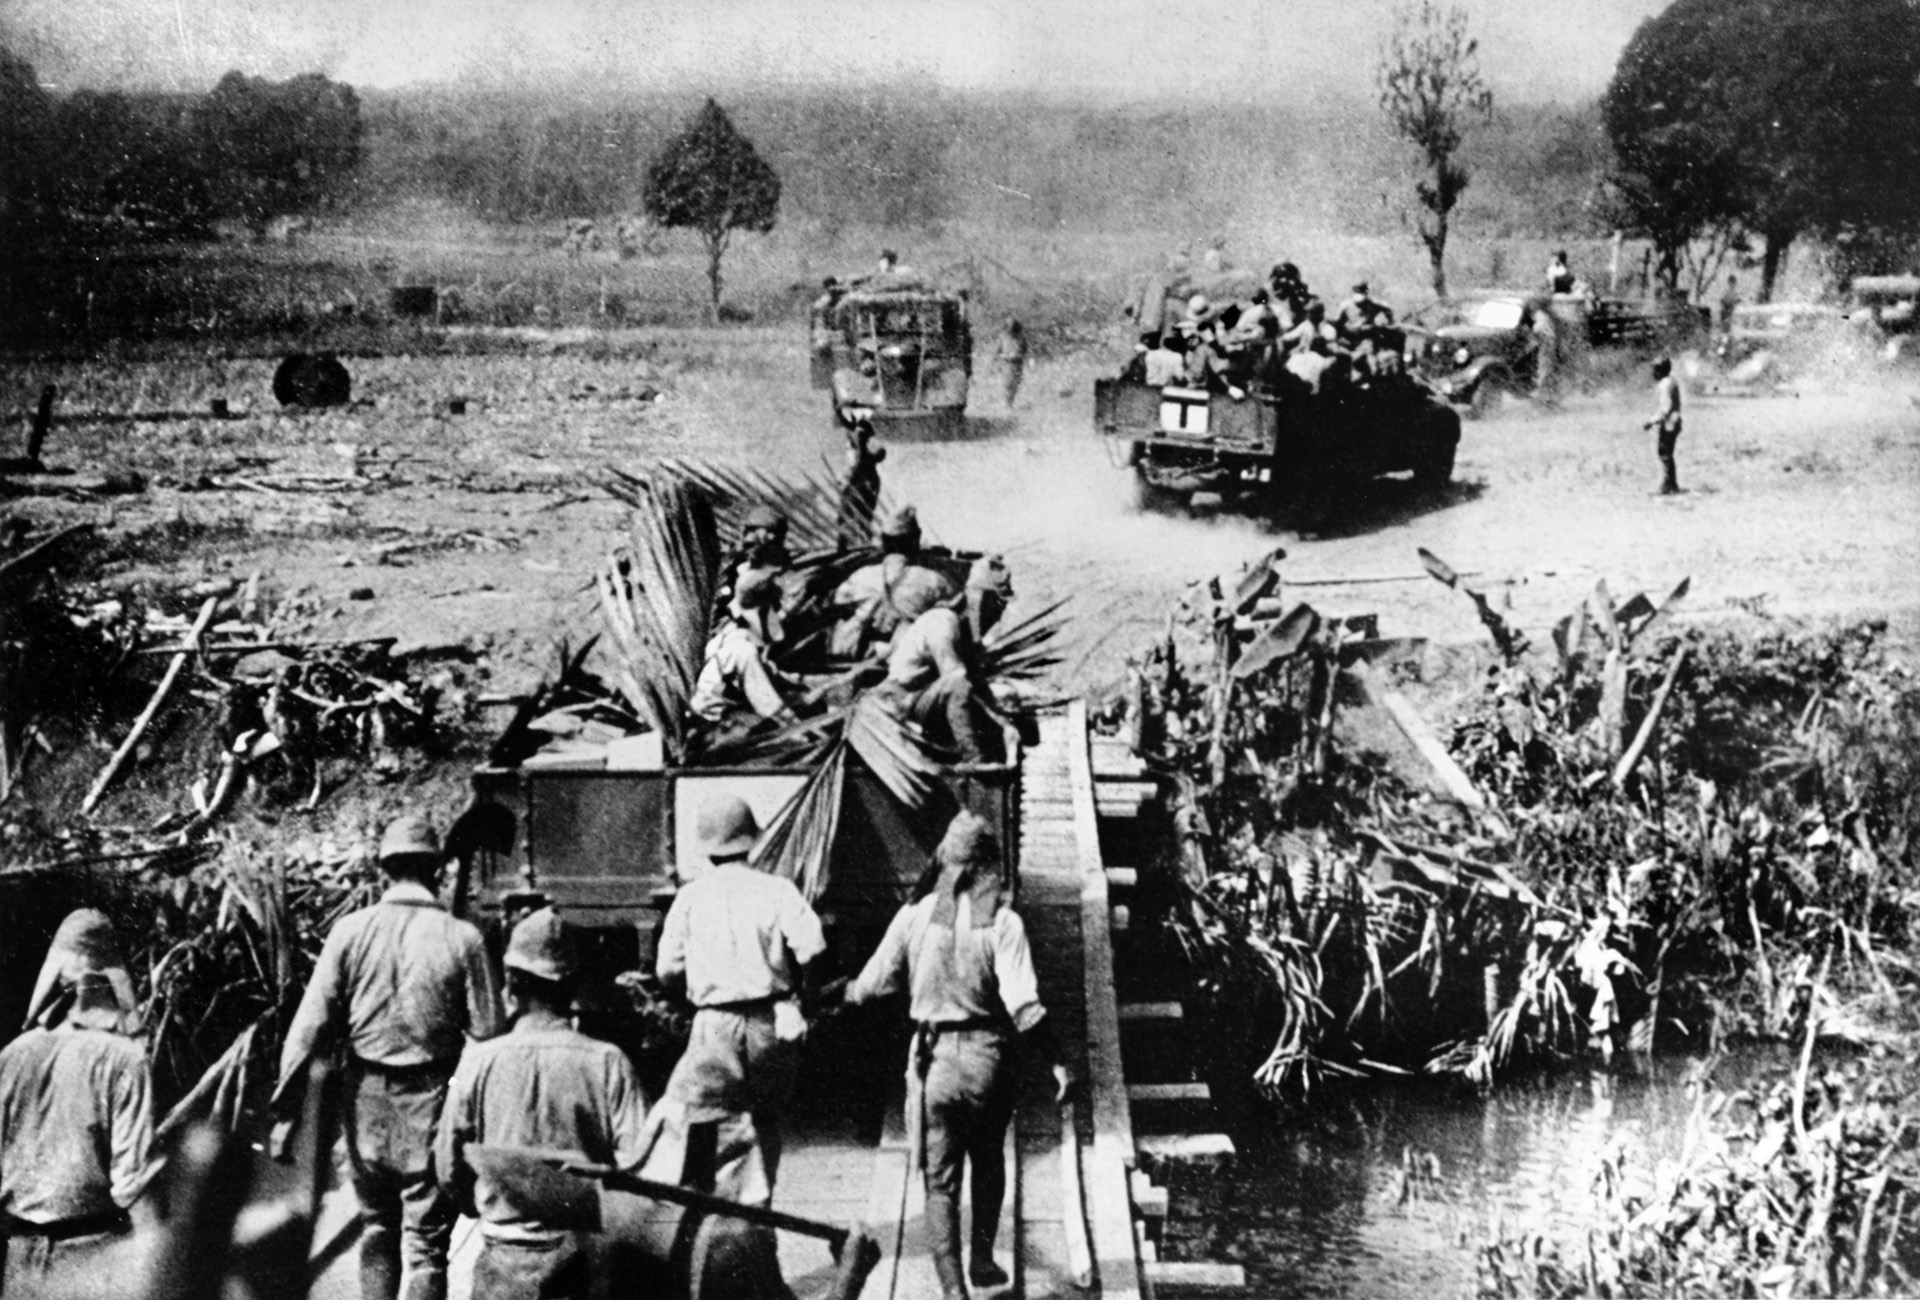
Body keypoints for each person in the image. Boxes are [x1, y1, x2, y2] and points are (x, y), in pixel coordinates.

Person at [842, 813, 1072, 1300]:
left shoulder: (915, 915)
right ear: (989, 866)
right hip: (990, 1058)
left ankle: (953, 1291)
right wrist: (1055, 1059)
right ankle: (983, 1259)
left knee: (940, 1182)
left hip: (933, 1061)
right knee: (989, 1161)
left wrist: (845, 993)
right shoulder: (1002, 922)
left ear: (945, 861)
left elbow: (868, 987)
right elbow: (1024, 1004)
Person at [278, 815, 504, 1300]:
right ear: (436, 870)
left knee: (377, 1227)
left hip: (364, 1102)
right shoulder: (463, 938)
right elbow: (489, 1035)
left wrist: (285, 1113)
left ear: (384, 869)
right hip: (430, 1102)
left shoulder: (348, 932)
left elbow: (310, 1026)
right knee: (426, 1245)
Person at [435, 909, 651, 1300]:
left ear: (512, 984)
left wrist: (484, 1205)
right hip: (582, 1263)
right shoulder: (608, 1062)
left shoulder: (478, 1062)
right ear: (572, 987)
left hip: (503, 1262)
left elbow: (449, 1167)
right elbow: (640, 1171)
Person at [652, 796, 827, 1207]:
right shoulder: (777, 890)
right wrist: (803, 999)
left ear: (706, 848)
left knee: (704, 1124)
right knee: (765, 1126)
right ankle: (759, 1227)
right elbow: (814, 950)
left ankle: (701, 1224)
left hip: (713, 1025)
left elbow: (666, 971)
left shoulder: (690, 897)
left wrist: (693, 998)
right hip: (770, 1021)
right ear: (751, 841)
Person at [0, 910, 155, 1294]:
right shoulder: (125, 1060)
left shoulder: (12, 1056)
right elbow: (131, 1182)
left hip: (19, 1258)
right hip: (91, 1257)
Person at [875, 555, 1014, 765]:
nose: (998, 615)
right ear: (980, 602)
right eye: (996, 605)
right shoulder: (943, 623)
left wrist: (1004, 724)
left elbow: (979, 687)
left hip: (918, 701)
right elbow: (957, 683)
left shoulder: (961, 633)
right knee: (959, 684)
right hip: (897, 702)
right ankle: (973, 760)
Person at [830, 506, 957, 659]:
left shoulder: (860, 576)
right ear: (916, 539)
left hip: (858, 652)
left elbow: (836, 606)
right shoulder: (934, 581)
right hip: (901, 659)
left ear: (883, 542)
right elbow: (953, 613)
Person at [690, 569, 803, 733]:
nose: (781, 616)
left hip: (713, 715)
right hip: (716, 726)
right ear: (764, 610)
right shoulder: (744, 649)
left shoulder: (731, 632)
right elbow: (770, 706)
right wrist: (805, 732)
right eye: (776, 608)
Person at [837, 420, 886, 550]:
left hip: (861, 484)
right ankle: (861, 544)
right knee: (862, 517)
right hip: (867, 483)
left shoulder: (863, 452)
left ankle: (849, 545)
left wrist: (847, 483)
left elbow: (859, 465)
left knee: (850, 516)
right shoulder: (864, 451)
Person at [1643, 356, 1683, 495]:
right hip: (1674, 421)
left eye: (1655, 369)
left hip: (1669, 423)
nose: (1653, 373)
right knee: (1667, 453)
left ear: (1660, 370)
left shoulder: (1665, 384)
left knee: (1664, 453)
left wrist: (1652, 421)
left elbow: (1666, 408)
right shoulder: (1671, 381)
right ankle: (1672, 484)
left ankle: (1668, 485)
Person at [1333, 281, 1394, 346]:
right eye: (1356, 292)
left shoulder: (1374, 303)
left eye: (1360, 292)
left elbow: (1388, 309)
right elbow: (1337, 322)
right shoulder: (1345, 305)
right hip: (1350, 335)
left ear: (1365, 293)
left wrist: (1389, 321)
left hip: (1368, 336)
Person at [991, 318, 1027, 410]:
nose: (1011, 332)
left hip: (1017, 365)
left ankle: (1010, 403)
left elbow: (1025, 352)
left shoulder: (1021, 338)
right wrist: (1004, 356)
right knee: (1007, 384)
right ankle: (1007, 404)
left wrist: (1017, 355)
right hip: (1006, 365)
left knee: (1015, 385)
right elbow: (997, 352)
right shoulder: (1002, 337)